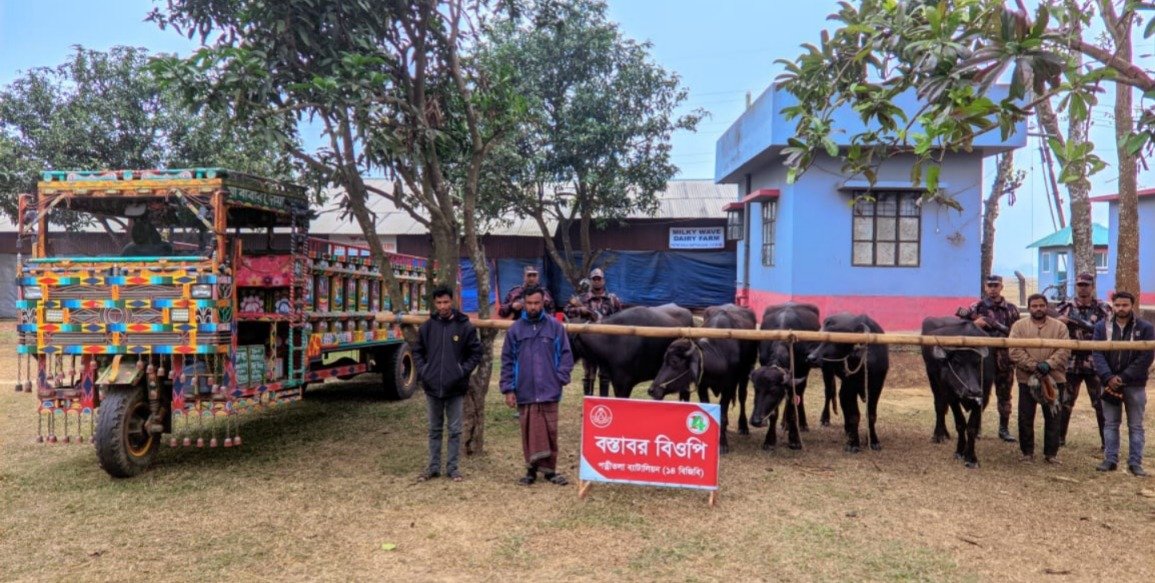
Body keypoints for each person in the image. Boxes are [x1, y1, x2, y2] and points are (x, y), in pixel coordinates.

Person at [500, 285, 574, 486]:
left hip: (549, 390)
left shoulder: (555, 327)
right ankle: (531, 471)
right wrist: (508, 388)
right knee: (528, 431)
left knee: (550, 431)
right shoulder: (515, 330)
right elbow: (507, 360)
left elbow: (566, 356)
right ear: (524, 303)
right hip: (525, 389)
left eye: (537, 303)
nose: (533, 307)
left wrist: (559, 377)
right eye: (529, 303)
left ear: (543, 303)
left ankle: (551, 471)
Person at [411, 286, 482, 482]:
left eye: (446, 302)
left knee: (455, 430)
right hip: (432, 387)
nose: (443, 306)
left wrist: (461, 371)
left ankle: (453, 469)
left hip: (455, 388)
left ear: (453, 301)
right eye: (439, 303)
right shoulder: (427, 327)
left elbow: (476, 352)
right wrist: (424, 370)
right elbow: (417, 351)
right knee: (434, 430)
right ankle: (433, 467)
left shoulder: (464, 326)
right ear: (434, 304)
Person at [1091, 291, 1154, 477]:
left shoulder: (1145, 328)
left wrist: (1124, 377)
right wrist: (1108, 377)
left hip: (1134, 385)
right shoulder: (1102, 327)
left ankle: (1135, 462)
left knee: (1135, 425)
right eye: (1117, 305)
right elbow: (1097, 353)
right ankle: (1110, 459)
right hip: (1108, 383)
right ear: (1112, 305)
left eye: (1125, 305)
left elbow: (1147, 356)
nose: (1121, 309)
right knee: (1110, 423)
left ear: (1132, 305)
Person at [1008, 294, 1070, 464]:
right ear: (1029, 308)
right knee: (1025, 416)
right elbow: (1014, 350)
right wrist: (1034, 366)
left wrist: (1048, 365)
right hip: (1027, 378)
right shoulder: (1019, 326)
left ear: (1046, 306)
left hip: (1054, 378)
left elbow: (1065, 350)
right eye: (1034, 306)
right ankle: (1027, 453)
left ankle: (1051, 454)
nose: (1038, 309)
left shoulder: (1059, 327)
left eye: (1041, 305)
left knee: (1054, 416)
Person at [1055, 272, 1113, 448]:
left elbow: (1110, 331)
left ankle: (1106, 442)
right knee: (1065, 402)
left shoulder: (1104, 308)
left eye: (1086, 285)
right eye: (1080, 284)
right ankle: (1059, 438)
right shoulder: (1064, 308)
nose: (1083, 288)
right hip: (1070, 362)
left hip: (1096, 361)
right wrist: (1062, 321)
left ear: (1093, 287)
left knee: (1100, 404)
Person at [963, 274, 1022, 442]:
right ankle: (977, 426)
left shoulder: (1011, 309)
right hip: (981, 360)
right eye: (990, 286)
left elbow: (1017, 332)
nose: (993, 289)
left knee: (1005, 396)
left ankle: (1003, 429)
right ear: (985, 287)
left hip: (1005, 360)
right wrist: (974, 325)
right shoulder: (976, 308)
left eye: (996, 285)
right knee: (978, 393)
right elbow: (963, 330)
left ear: (1002, 286)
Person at [564, 267, 624, 396]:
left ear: (604, 280)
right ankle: (589, 404)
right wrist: (581, 311)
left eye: (599, 279)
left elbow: (621, 318)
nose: (597, 281)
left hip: (607, 344)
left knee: (605, 374)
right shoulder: (582, 299)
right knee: (588, 374)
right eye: (594, 279)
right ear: (591, 281)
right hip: (587, 343)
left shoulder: (612, 299)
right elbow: (567, 309)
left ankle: (604, 403)